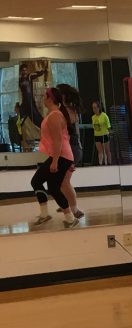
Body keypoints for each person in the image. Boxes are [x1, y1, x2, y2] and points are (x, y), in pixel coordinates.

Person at [29, 87, 77, 228]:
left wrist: (55, 161)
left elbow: (58, 141)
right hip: (61, 156)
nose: (43, 99)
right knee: (51, 186)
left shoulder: (55, 116)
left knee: (39, 182)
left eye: (44, 97)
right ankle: (65, 218)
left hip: (61, 156)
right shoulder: (53, 114)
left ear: (50, 98)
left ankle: (68, 218)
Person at [55, 84, 84, 219]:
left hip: (71, 151)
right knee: (61, 182)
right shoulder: (67, 109)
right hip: (72, 150)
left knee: (64, 182)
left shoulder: (66, 111)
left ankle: (75, 209)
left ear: (63, 96)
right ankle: (66, 205)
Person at [91, 100, 113, 166]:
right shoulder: (93, 117)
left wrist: (110, 133)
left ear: (99, 108)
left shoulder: (104, 115)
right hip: (97, 135)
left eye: (95, 107)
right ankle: (100, 164)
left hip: (104, 135)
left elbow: (108, 126)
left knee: (107, 151)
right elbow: (94, 127)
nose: (94, 109)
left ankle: (109, 163)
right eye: (93, 108)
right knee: (100, 151)